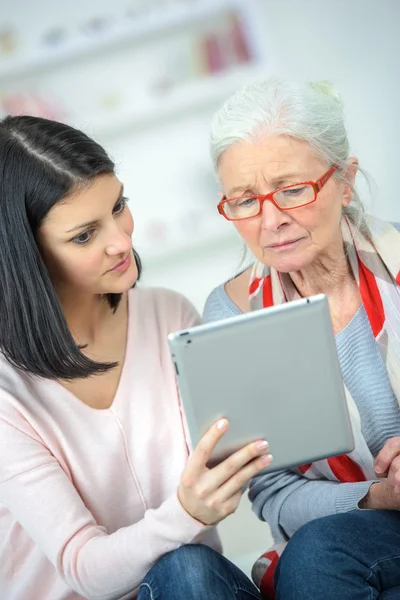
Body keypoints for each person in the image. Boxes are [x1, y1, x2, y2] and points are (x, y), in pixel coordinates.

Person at [0, 115, 273, 600]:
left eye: (119, 206)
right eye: (84, 235)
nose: (122, 241)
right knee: (185, 567)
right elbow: (84, 569)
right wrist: (186, 516)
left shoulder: (170, 315)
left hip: (192, 587)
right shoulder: (7, 392)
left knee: (192, 568)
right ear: (29, 256)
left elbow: (237, 454)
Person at [203, 78, 400, 600]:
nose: (271, 221)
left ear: (346, 180)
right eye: (244, 201)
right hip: (359, 535)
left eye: (292, 190)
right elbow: (272, 488)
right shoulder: (230, 314)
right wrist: (380, 494)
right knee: (316, 553)